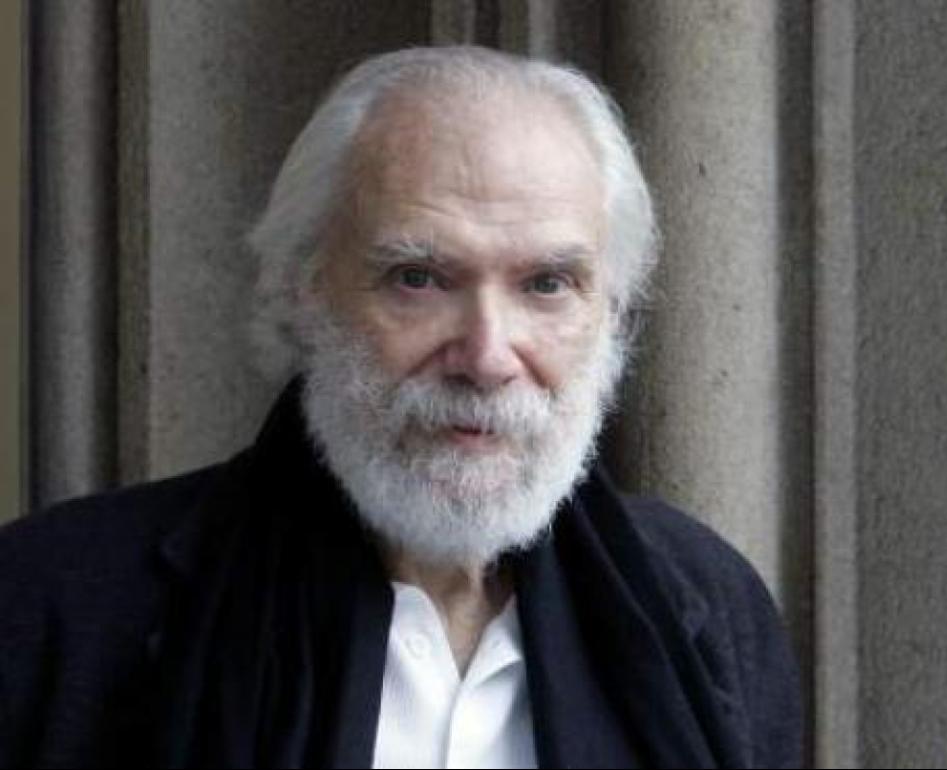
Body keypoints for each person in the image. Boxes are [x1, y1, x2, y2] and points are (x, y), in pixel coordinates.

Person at [0, 46, 801, 768]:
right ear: (305, 289)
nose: (487, 357)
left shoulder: (704, 610)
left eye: (547, 284)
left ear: (612, 311)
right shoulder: (53, 607)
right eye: (419, 278)